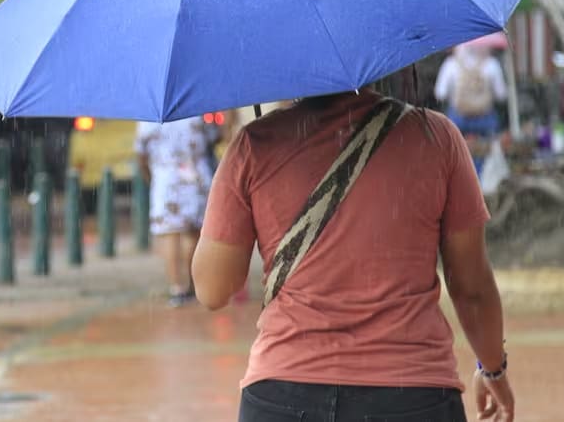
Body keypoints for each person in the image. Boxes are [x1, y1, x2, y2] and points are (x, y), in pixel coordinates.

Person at [193, 86, 514, 421]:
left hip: (283, 394)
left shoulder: (253, 145)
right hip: (413, 395)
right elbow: (471, 287)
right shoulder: (436, 136)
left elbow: (213, 289)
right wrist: (493, 369)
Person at [135, 116, 214, 307]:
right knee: (193, 232)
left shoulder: (149, 118)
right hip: (194, 174)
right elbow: (213, 137)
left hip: (165, 177)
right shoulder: (197, 110)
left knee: (169, 232)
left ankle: (177, 287)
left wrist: (150, 174)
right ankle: (193, 283)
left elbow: (140, 153)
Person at [434, 43, 508, 173]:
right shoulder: (491, 64)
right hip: (485, 120)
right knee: (485, 154)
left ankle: (462, 179)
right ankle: (480, 181)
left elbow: (440, 93)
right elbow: (501, 95)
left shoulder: (450, 64)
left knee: (456, 153)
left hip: (458, 119)